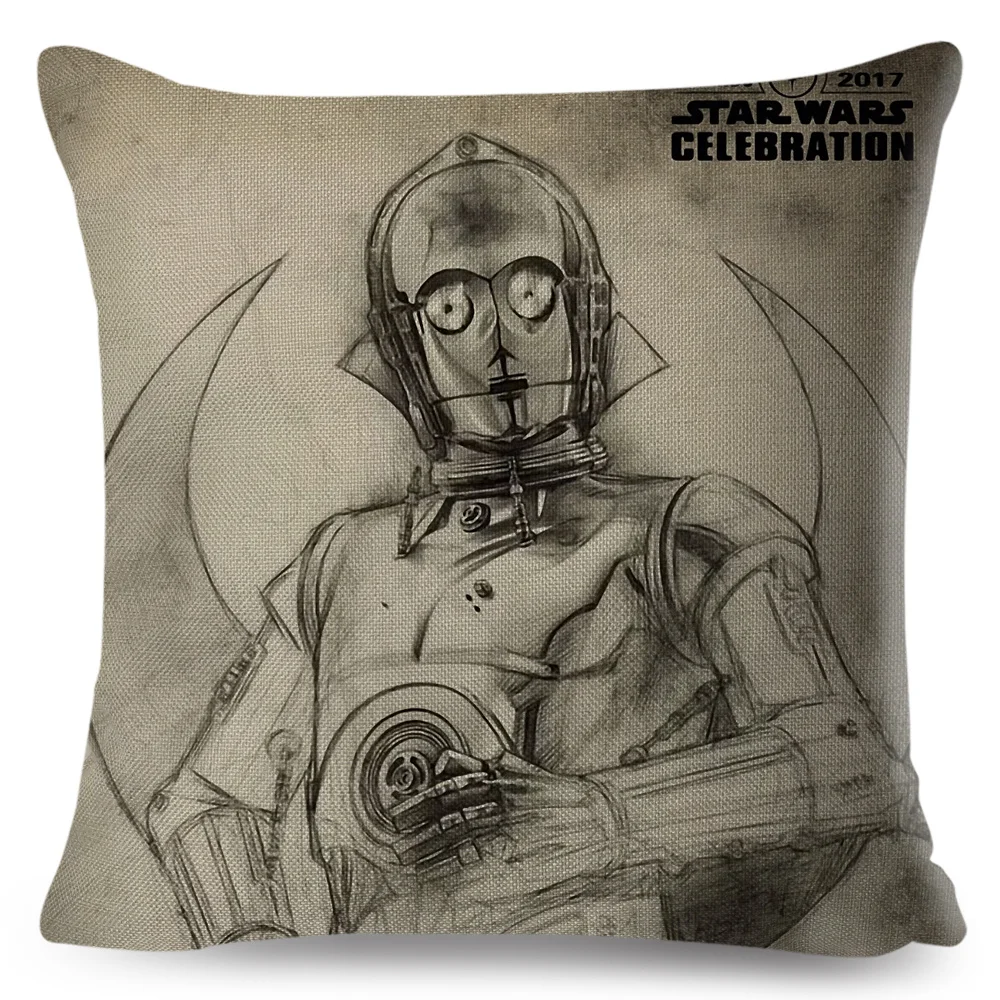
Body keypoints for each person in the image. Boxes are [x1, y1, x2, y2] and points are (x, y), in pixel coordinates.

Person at [147, 133, 916, 947]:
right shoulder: (338, 564)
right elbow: (202, 802)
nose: (500, 341)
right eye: (453, 308)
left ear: (586, 311)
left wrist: (602, 818)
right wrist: (253, 951)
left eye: (531, 294)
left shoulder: (686, 529)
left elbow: (855, 763)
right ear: (405, 343)